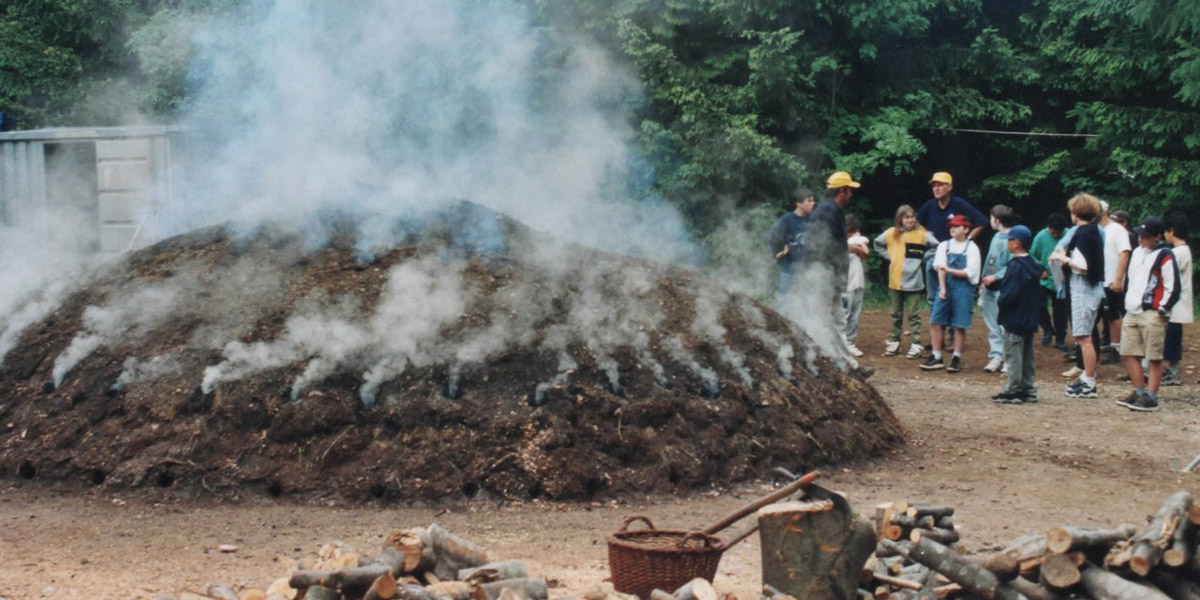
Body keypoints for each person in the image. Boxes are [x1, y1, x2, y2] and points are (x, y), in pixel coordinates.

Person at [808, 171, 873, 378]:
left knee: (836, 321)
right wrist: (851, 249)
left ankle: (848, 366)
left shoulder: (830, 209)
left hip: (829, 276)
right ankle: (818, 365)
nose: (851, 194)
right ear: (842, 191)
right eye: (850, 190)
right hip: (825, 276)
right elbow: (825, 244)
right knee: (824, 321)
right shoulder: (829, 211)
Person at [1116, 217, 1179, 412]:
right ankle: (1138, 390)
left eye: (1145, 236)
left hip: (1152, 312)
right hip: (1132, 309)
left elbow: (1173, 286)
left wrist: (1162, 308)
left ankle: (1151, 396)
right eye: (1140, 235)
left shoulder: (1165, 255)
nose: (1141, 239)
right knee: (1128, 352)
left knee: (1154, 356)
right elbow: (1133, 279)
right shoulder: (1137, 252)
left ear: (1157, 237)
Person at [1050, 193, 1105, 398]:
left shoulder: (1084, 234)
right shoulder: (1092, 231)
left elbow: (1082, 266)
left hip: (1084, 287)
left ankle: (1089, 382)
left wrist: (1061, 258)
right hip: (1087, 287)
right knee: (1084, 336)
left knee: (1084, 337)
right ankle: (1086, 378)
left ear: (1075, 213)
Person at [987, 226, 1046, 404]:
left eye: (1010, 240)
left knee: (1013, 355)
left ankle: (1013, 389)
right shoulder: (1034, 266)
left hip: (1014, 318)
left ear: (1016, 243)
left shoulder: (1014, 267)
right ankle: (1028, 388)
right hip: (1029, 317)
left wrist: (1001, 301)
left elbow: (1010, 294)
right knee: (1027, 354)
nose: (1008, 243)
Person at [873, 205, 937, 358]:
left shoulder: (922, 235)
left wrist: (923, 257)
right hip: (895, 280)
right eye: (906, 217)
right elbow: (877, 243)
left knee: (914, 314)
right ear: (900, 218)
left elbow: (937, 246)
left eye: (912, 217)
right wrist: (890, 256)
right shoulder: (891, 233)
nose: (910, 220)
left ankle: (916, 344)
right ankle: (895, 342)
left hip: (914, 281)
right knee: (896, 313)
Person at [921, 214, 981, 372]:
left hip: (964, 288)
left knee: (959, 324)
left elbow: (970, 273)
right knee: (935, 321)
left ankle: (956, 357)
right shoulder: (944, 245)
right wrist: (943, 289)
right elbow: (940, 267)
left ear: (966, 229)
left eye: (957, 226)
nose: (952, 228)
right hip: (946, 286)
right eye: (951, 226)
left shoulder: (972, 248)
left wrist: (949, 270)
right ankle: (936, 356)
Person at [916, 172, 987, 303]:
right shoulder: (930, 206)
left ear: (949, 187)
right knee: (933, 294)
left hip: (955, 254)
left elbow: (981, 221)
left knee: (955, 292)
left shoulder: (959, 204)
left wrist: (968, 240)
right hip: (934, 253)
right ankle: (936, 317)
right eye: (934, 186)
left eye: (940, 185)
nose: (936, 189)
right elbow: (916, 223)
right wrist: (927, 235)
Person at [980, 205, 1016, 373]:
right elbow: (990, 260)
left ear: (997, 219)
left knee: (1004, 324)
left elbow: (1013, 265)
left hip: (1003, 287)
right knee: (992, 323)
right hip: (989, 287)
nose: (990, 220)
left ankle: (1009, 359)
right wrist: (984, 278)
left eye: (991, 217)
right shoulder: (995, 237)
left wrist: (996, 276)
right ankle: (996, 356)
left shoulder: (1013, 239)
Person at [767, 188, 816, 299]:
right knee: (786, 304)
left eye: (813, 200)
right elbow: (772, 238)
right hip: (789, 271)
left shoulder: (813, 220)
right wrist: (778, 253)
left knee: (807, 305)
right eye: (809, 201)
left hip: (808, 272)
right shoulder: (787, 219)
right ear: (799, 203)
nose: (813, 203)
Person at [1099, 201, 1132, 362]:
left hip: (1112, 279)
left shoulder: (1117, 230)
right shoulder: (1097, 229)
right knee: (1103, 314)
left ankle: (1116, 347)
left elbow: (1124, 253)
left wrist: (1118, 279)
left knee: (1114, 315)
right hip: (1099, 279)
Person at [1031, 214, 1069, 350]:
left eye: (1059, 232)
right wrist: (1039, 270)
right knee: (1039, 304)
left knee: (1060, 310)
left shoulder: (1068, 234)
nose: (1056, 235)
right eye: (1053, 232)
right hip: (1045, 277)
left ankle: (1060, 338)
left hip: (1061, 279)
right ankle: (1047, 329)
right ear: (1049, 228)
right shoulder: (1041, 236)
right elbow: (1032, 255)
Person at [1163, 212, 1192, 386]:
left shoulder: (1177, 253)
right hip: (1177, 303)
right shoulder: (1183, 250)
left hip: (1176, 303)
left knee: (1172, 337)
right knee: (1173, 336)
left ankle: (1173, 372)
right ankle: (1171, 370)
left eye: (1166, 232)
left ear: (1171, 231)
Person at [844, 215, 869, 357]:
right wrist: (854, 245)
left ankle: (850, 342)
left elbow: (865, 253)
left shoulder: (856, 241)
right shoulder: (839, 241)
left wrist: (858, 243)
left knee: (855, 313)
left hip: (857, 280)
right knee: (844, 314)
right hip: (845, 283)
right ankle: (841, 342)